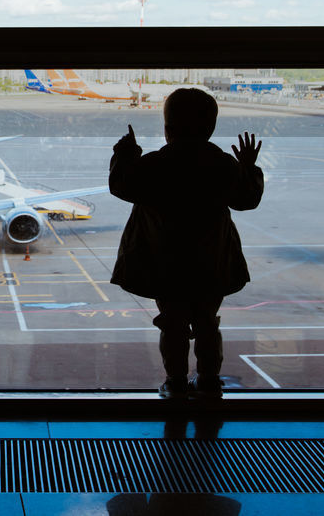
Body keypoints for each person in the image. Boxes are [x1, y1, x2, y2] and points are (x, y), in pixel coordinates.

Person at [108, 87, 263, 399]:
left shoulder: (154, 165)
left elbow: (121, 186)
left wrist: (125, 155)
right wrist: (248, 166)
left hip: (165, 262)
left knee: (173, 324)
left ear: (167, 129)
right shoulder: (222, 165)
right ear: (210, 128)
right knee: (207, 322)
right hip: (211, 261)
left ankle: (176, 382)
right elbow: (247, 200)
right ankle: (208, 381)